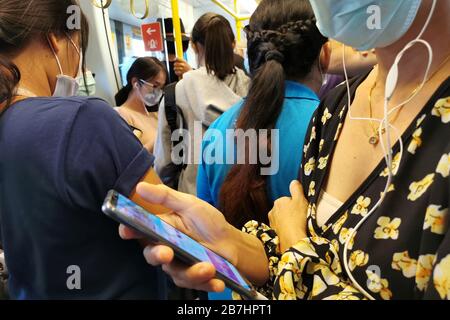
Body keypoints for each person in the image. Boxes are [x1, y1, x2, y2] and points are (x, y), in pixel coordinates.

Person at [121, 0, 450, 300]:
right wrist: (233, 243)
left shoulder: (222, 124)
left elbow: (300, 246)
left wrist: (295, 249)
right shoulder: (332, 111)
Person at [0, 0, 169, 299]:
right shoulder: (81, 119)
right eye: (79, 48)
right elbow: (173, 236)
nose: (81, 68)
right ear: (55, 38)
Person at [197, 0, 329, 231]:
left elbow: (208, 226)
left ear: (251, 59)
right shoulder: (335, 129)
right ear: (325, 55)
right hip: (309, 265)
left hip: (235, 266)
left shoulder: (215, 132)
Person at [154, 13, 251, 195]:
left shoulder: (173, 94)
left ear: (193, 46)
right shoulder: (254, 92)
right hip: (241, 200)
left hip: (193, 202)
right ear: (233, 44)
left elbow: (164, 164)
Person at [115, 57, 167, 153]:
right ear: (136, 82)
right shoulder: (120, 115)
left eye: (161, 87)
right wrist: (162, 135)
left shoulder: (156, 114)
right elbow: (132, 158)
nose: (158, 92)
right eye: (155, 86)